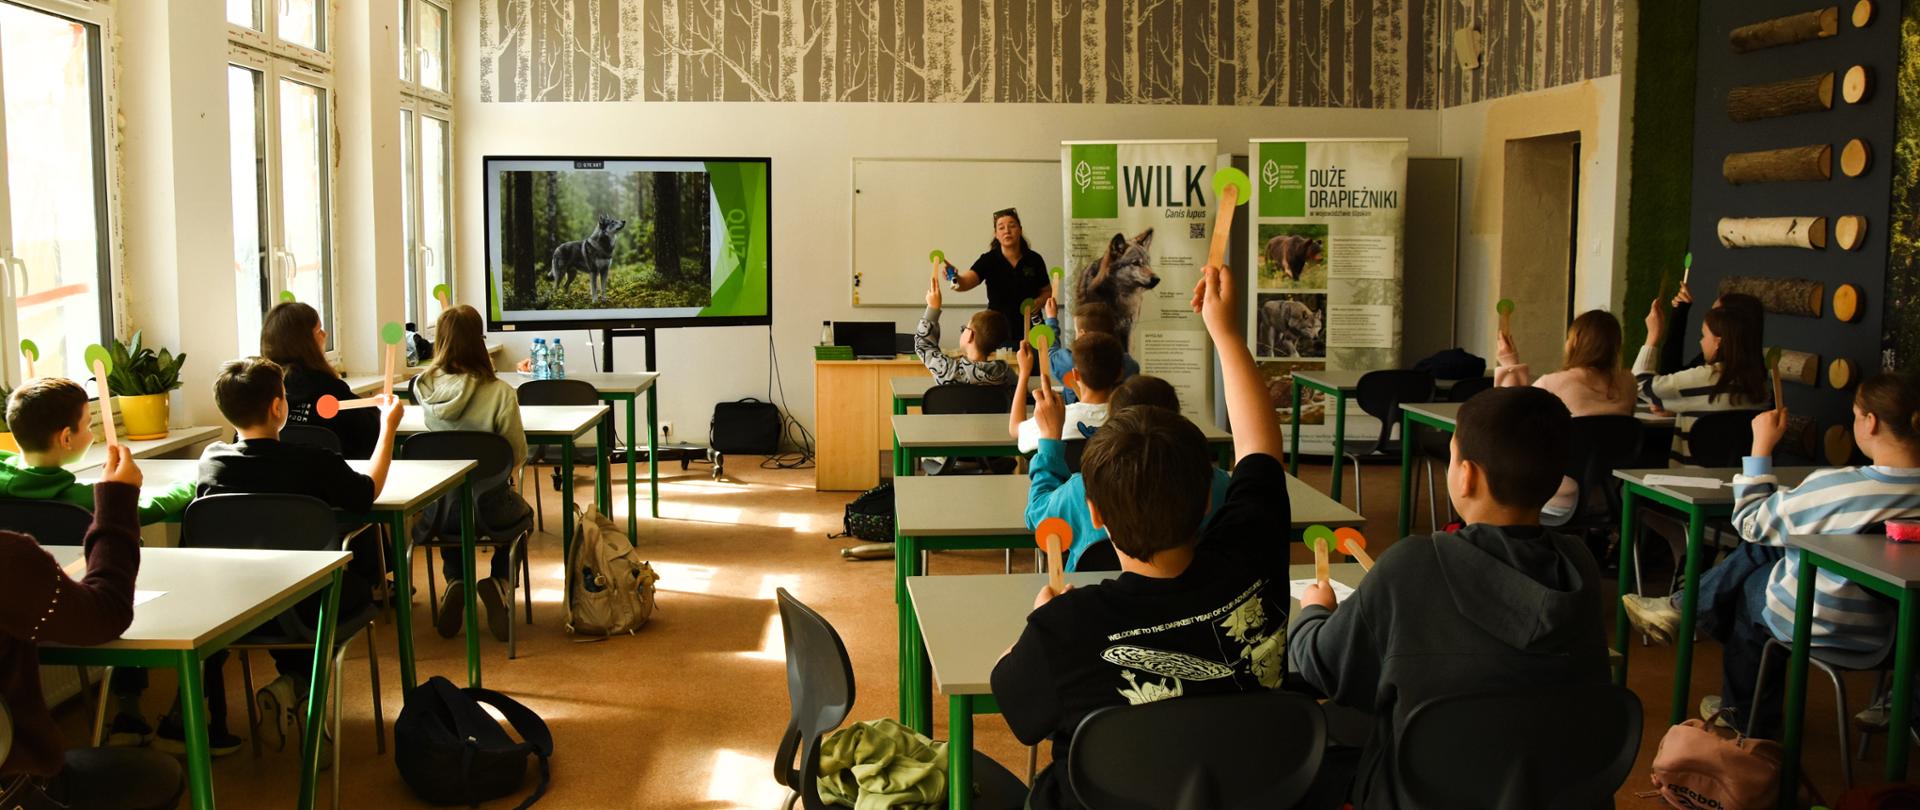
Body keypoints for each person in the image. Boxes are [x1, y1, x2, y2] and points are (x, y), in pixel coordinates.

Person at [990, 263, 1291, 810]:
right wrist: (1224, 332)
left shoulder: (1063, 628)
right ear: (1207, 498)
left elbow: (1015, 705)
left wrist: (1036, 617)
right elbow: (1262, 452)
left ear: (1096, 514)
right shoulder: (1254, 557)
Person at [1288, 386, 1609, 808]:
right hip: (1549, 790)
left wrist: (1313, 612)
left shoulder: (1413, 564)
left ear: (1467, 475)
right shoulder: (1579, 566)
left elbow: (1319, 669)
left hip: (1421, 794)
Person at [1623, 373, 1920, 738]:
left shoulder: (1839, 487)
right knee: (1772, 554)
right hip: (1904, 636)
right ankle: (1684, 608)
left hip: (1831, 624)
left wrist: (1761, 448)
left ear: (1870, 422)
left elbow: (1750, 522)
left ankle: (1745, 715)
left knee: (1754, 591)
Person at [192, 357, 401, 757]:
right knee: (344, 590)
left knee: (288, 602)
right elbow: (366, 492)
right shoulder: (314, 462)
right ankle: (293, 690)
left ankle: (291, 687)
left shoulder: (211, 462)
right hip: (312, 605)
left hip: (237, 608)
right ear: (277, 407)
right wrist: (387, 428)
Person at [1, 378, 195, 747]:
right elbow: (145, 510)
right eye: (87, 425)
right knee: (129, 596)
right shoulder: (82, 497)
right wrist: (189, 484)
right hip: (77, 600)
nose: (91, 432)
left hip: (20, 619)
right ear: (65, 439)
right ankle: (130, 705)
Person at [0, 446, 184, 809]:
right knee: (160, 774)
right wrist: (117, 500)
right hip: (17, 789)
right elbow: (107, 613)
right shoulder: (9, 560)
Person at [411, 304, 531, 642]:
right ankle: (499, 581)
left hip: (438, 513)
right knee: (522, 517)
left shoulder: (423, 390)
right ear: (478, 341)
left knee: (454, 501)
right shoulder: (501, 393)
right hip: (490, 509)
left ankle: (457, 580)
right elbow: (516, 456)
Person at [1026, 375, 1229, 571]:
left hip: (1094, 599)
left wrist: (1050, 439)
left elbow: (1038, 515)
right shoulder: (1216, 483)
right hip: (1198, 598)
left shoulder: (1086, 489)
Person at [1495, 310, 1637, 519]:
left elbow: (1509, 414)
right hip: (1606, 500)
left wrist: (1509, 363)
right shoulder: (1628, 383)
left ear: (1576, 341)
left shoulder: (1551, 384)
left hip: (1553, 499)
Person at [1637, 294, 1770, 462]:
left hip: (1687, 480)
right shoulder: (1760, 385)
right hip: (1736, 480)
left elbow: (1640, 384)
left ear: (1719, 340)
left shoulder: (1705, 376)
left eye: (1704, 335)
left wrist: (1652, 336)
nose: (1701, 342)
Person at [262, 301, 380, 459]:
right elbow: (367, 432)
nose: (325, 335)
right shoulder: (326, 386)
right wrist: (377, 410)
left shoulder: (261, 387)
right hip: (330, 479)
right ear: (304, 342)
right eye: (319, 330)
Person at [941, 207, 1051, 349]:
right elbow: (965, 283)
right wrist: (954, 276)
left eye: (1012, 226)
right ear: (996, 234)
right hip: (996, 329)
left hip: (1031, 327)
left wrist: (1040, 301)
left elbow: (1047, 291)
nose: (1007, 230)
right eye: (1001, 227)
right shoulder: (988, 260)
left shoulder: (1035, 259)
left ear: (1020, 230)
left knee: (1034, 368)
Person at [1007, 331, 1121, 455]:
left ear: (1075, 375)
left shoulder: (1056, 420)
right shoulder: (1130, 420)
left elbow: (1015, 429)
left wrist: (1024, 372)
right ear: (1120, 374)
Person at [914, 263, 1010, 385]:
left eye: (965, 328)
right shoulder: (1005, 374)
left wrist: (933, 307)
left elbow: (923, 345)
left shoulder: (949, 371)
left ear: (970, 335)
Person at [1041, 298, 1138, 405]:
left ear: (1083, 334)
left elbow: (1051, 354)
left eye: (1076, 331)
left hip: (1077, 419)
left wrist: (1051, 319)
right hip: (1114, 418)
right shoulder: (1129, 364)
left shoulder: (1071, 362)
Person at [1660, 283, 1765, 374]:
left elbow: (1665, 383)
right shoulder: (1740, 362)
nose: (1707, 319)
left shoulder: (1714, 374)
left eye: (1714, 314)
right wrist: (1680, 312)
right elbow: (1674, 376)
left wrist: (1653, 336)